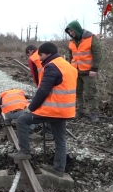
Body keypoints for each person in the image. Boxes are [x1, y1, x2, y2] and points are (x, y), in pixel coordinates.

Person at [8, 42, 78, 178]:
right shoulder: (67, 65)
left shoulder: (52, 66)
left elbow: (43, 90)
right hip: (66, 110)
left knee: (22, 120)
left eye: (41, 55)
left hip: (54, 109)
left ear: (48, 54)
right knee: (60, 139)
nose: (39, 58)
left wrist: (31, 107)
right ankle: (59, 169)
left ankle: (25, 151)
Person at [65, 20, 102, 122]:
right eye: (69, 32)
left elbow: (98, 54)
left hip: (88, 72)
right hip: (75, 72)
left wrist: (94, 68)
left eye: (72, 31)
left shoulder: (92, 38)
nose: (71, 33)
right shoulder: (71, 42)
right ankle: (80, 111)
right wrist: (70, 68)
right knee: (77, 92)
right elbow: (71, 56)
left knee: (91, 93)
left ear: (77, 29)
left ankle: (94, 113)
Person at [25, 45, 53, 139]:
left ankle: (49, 132)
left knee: (47, 107)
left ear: (30, 51)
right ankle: (48, 129)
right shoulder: (50, 53)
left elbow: (35, 75)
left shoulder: (32, 58)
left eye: (28, 54)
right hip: (56, 83)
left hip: (44, 84)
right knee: (53, 107)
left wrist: (40, 88)